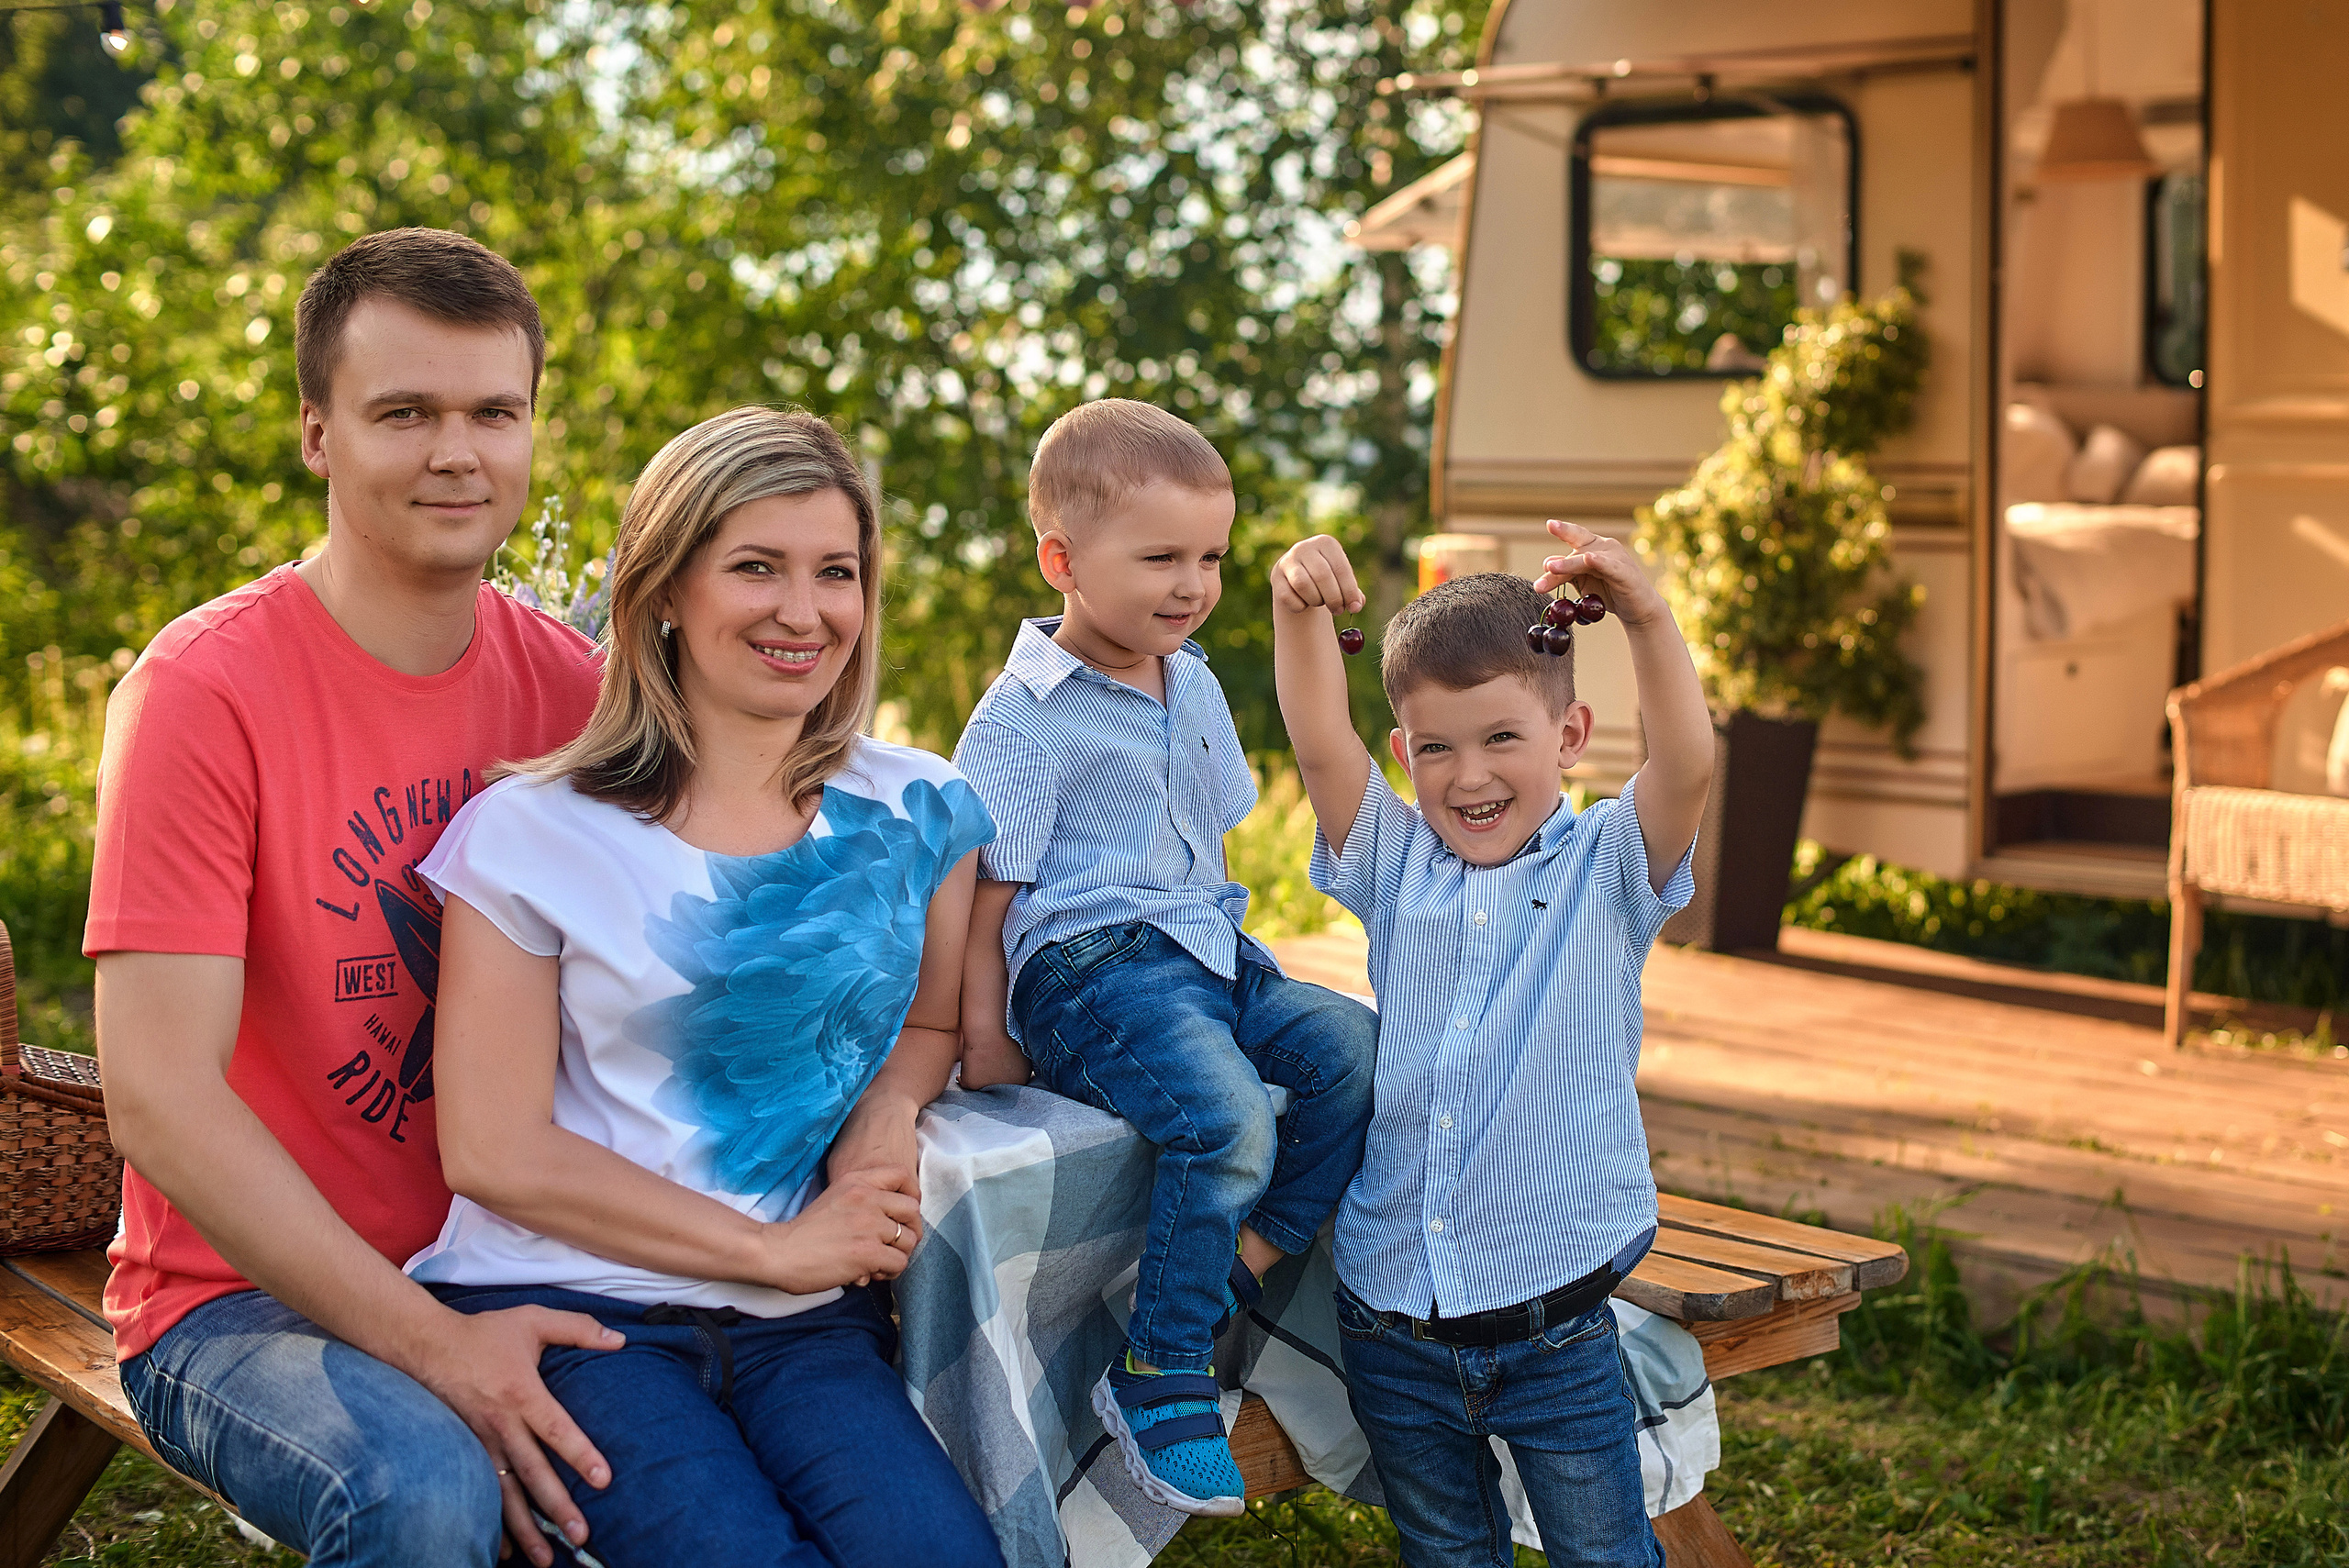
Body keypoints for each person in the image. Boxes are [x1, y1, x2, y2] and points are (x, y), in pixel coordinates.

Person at [87, 228, 626, 1568]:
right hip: (237, 1297)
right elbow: (158, 1097)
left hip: (506, 1256)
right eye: (405, 413)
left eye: (494, 412)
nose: (459, 453)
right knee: (424, 1491)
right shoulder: (202, 693)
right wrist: (436, 1346)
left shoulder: (576, 692)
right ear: (318, 436)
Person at [407, 405, 1004, 1568]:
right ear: (665, 590)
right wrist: (774, 1248)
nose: (804, 610)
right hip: (578, 1311)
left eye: (836, 571)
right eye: (755, 567)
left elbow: (933, 1017)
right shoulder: (529, 833)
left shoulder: (921, 809)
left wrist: (889, 1107)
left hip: (806, 1326)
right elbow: (491, 1150)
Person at [952, 399, 1378, 1518]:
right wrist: (982, 1034)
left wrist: (1242, 979)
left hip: (1207, 948)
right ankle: (1158, 1368)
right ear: (1062, 560)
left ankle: (1240, 1261)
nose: (1192, 585)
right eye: (1160, 558)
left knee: (1356, 1052)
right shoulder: (1020, 716)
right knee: (1224, 1117)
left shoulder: (1189, 679)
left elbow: (1208, 845)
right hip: (1089, 967)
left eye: (1211, 558)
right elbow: (984, 891)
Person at [1268, 525, 1714, 1568]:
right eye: (1436, 747)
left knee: (1603, 1554)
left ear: (1569, 733)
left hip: (1555, 1331)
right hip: (1392, 1325)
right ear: (1403, 755)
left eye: (1502, 736)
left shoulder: (1610, 866)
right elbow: (1319, 741)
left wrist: (1646, 614)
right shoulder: (1393, 863)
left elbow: (1688, 761)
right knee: (1445, 1553)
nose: (1469, 774)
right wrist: (1295, 610)